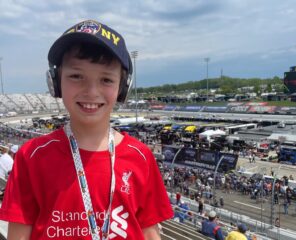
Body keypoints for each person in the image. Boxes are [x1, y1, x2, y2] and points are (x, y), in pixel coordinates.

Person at [0, 20, 173, 240]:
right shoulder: (31, 156)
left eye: (106, 79)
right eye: (76, 76)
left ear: (122, 89)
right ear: (55, 82)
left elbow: (149, 232)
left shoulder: (141, 157)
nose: (91, 91)